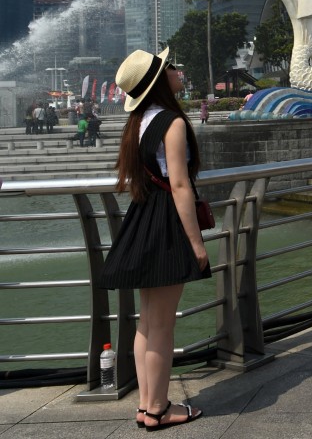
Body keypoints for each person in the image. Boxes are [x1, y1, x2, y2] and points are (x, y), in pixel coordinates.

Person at [96, 48, 208, 431]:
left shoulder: (139, 122)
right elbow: (179, 185)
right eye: (171, 68)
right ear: (161, 81)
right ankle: (159, 410)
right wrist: (196, 245)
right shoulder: (172, 122)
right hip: (166, 224)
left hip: (144, 218)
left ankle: (146, 406)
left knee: (148, 322)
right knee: (161, 325)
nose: (178, 71)